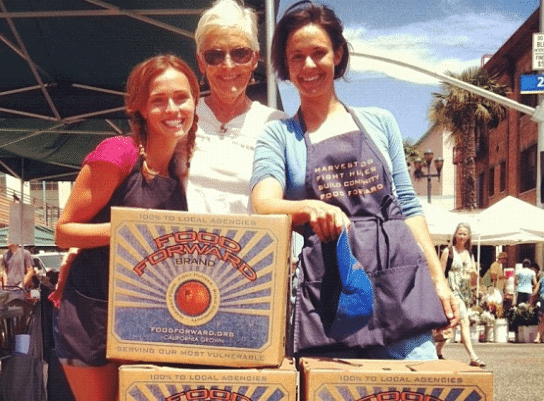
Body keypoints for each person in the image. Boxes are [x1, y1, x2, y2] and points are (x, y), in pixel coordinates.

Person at [250, 2, 457, 360]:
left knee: (412, 390)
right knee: (334, 395)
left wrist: (438, 281)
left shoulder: (380, 122)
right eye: (297, 56)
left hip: (399, 287)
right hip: (331, 297)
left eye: (318, 53)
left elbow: (408, 206)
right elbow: (263, 203)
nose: (308, 65)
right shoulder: (280, 135)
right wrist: (310, 208)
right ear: (286, 64)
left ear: (338, 54)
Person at [53, 54, 199, 401]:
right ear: (139, 107)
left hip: (147, 317)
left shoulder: (182, 170)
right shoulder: (118, 152)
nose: (172, 109)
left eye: (181, 97)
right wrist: (134, 230)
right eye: (159, 100)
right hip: (92, 311)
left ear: (195, 101)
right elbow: (64, 232)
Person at [186, 0, 285, 214]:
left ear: (254, 59)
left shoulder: (277, 125)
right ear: (201, 62)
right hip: (184, 236)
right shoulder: (182, 118)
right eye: (215, 55)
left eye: (240, 53)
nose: (228, 65)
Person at [439, 223, 485, 367]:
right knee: (464, 320)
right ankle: (473, 357)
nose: (462, 236)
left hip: (464, 292)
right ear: (455, 235)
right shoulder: (448, 251)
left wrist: (475, 275)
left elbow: (473, 280)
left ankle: (437, 351)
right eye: (460, 233)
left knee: (452, 323)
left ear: (468, 236)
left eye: (465, 234)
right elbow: (440, 274)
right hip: (451, 291)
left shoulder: (469, 254)